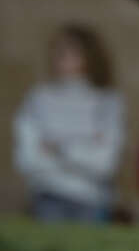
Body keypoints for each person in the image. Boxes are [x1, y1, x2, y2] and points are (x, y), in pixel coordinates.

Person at [13, 24, 124, 222]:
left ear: (89, 56)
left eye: (70, 51)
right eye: (58, 50)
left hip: (92, 200)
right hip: (47, 196)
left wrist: (59, 149)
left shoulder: (106, 102)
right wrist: (84, 148)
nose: (61, 57)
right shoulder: (38, 98)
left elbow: (105, 163)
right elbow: (27, 159)